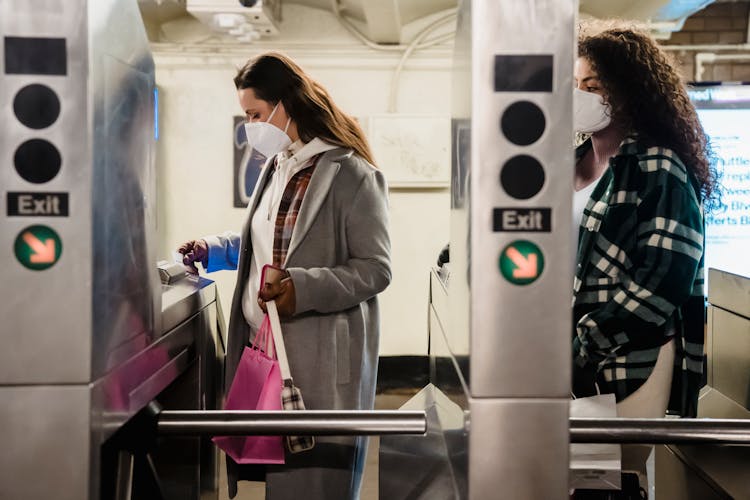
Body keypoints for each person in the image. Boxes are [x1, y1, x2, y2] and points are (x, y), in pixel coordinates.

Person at [178, 52, 392, 500]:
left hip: (316, 352)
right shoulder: (279, 167)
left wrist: (302, 287)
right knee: (280, 479)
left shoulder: (352, 174)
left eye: (254, 114)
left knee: (313, 483)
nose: (250, 126)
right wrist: (213, 249)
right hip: (265, 347)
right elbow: (267, 242)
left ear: (285, 105)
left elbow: (375, 269)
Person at [571, 27, 717, 495]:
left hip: (624, 355)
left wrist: (583, 342)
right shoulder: (564, 164)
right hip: (558, 357)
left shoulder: (659, 166)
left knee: (611, 479)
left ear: (632, 90)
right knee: (565, 479)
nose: (580, 97)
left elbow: (663, 279)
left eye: (593, 87)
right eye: (574, 86)